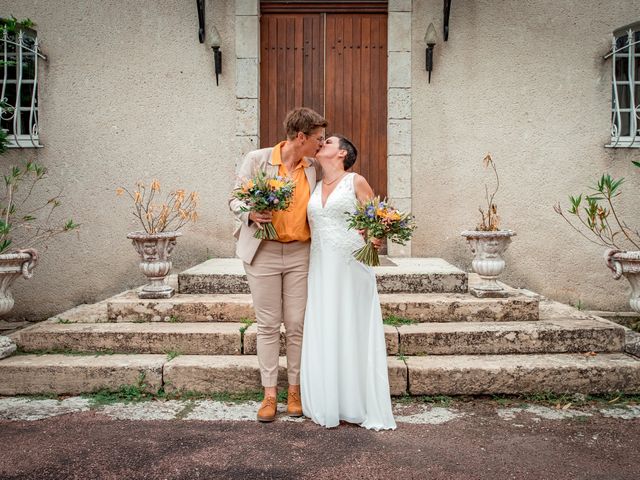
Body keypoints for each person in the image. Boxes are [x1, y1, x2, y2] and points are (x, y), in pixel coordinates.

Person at [229, 107, 327, 422]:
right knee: (269, 325)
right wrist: (250, 214)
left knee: (297, 324)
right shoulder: (257, 160)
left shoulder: (313, 167)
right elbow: (235, 198)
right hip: (264, 252)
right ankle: (269, 394)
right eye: (317, 139)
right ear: (301, 137)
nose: (321, 145)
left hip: (301, 253)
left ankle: (294, 392)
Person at [300, 135, 396, 430]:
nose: (320, 144)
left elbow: (380, 219)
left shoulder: (356, 181)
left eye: (327, 141)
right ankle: (328, 398)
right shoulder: (314, 186)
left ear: (341, 153)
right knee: (326, 324)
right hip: (321, 268)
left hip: (352, 266)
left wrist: (378, 236)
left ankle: (356, 401)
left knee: (352, 327)